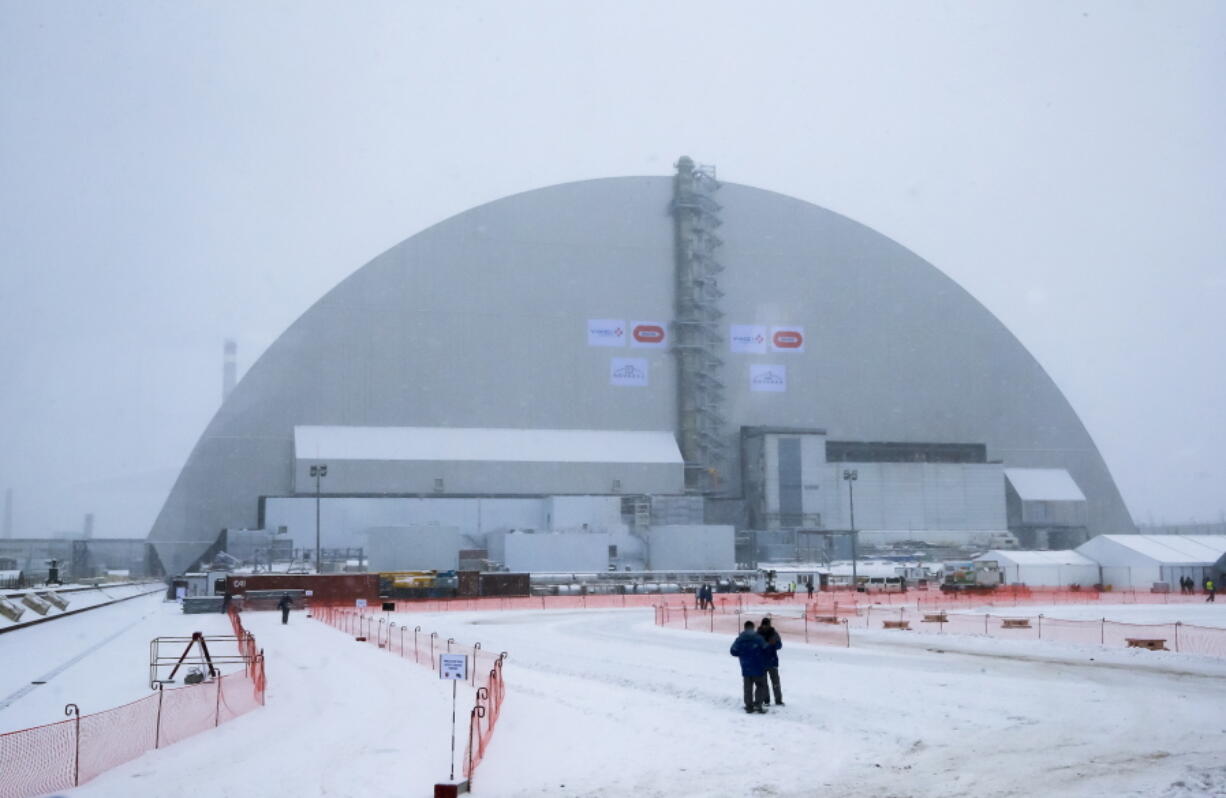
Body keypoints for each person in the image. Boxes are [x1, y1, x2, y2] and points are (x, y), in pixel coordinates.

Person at [730, 620, 769, 714]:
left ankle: (749, 706)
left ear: (745, 627)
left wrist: (742, 654)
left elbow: (733, 651)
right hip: (758, 665)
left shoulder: (740, 639)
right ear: (753, 627)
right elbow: (766, 649)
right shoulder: (758, 638)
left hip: (746, 666)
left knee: (748, 687)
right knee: (760, 685)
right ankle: (758, 705)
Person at [758, 617, 784, 706]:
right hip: (761, 662)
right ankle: (766, 700)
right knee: (764, 683)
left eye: (767, 625)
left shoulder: (774, 633)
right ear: (762, 625)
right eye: (764, 625)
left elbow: (780, 645)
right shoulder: (758, 634)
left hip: (772, 662)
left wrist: (774, 644)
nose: (765, 627)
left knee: (776, 682)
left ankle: (778, 700)